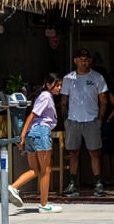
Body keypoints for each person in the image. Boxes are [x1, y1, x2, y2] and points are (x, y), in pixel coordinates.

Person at [8, 73, 63, 213]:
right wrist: (21, 135)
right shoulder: (46, 97)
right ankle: (44, 204)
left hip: (32, 134)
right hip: (41, 133)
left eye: (60, 85)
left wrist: (24, 135)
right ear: (49, 85)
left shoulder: (43, 96)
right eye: (57, 85)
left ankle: (14, 187)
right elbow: (33, 115)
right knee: (46, 170)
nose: (59, 88)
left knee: (35, 170)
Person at [60, 48, 108, 197]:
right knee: (73, 153)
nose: (84, 61)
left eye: (86, 59)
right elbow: (63, 101)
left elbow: (103, 100)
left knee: (94, 152)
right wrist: (66, 120)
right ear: (75, 60)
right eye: (81, 58)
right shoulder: (68, 79)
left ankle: (98, 183)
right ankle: (73, 183)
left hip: (91, 120)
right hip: (73, 120)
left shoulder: (97, 78)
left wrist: (100, 119)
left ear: (90, 61)